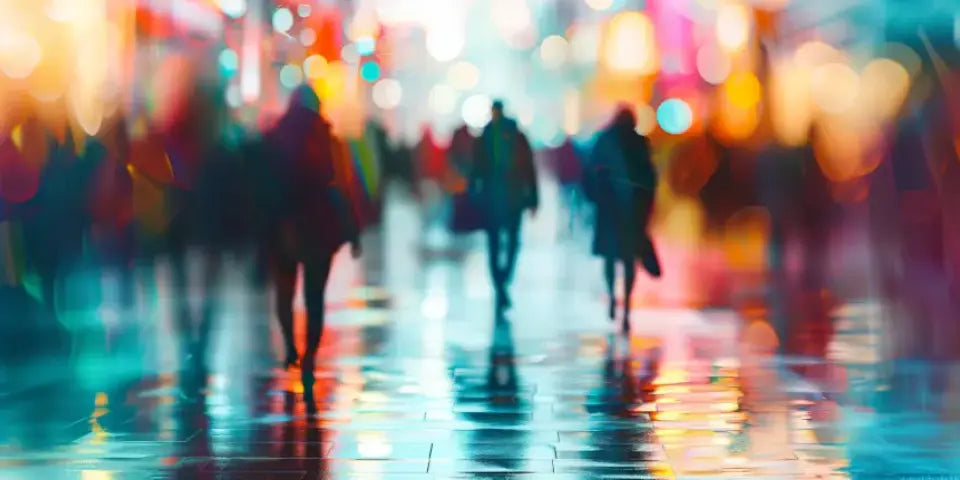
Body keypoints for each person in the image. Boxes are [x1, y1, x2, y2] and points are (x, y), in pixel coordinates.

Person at [263, 86, 361, 412]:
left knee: (284, 292)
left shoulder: (275, 135)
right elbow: (343, 183)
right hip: (319, 227)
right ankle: (309, 358)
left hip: (283, 225)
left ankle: (290, 345)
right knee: (315, 298)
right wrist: (353, 229)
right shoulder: (327, 137)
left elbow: (263, 184)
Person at [584, 107, 660, 332]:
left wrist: (595, 197)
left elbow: (589, 173)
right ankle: (626, 304)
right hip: (631, 211)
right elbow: (650, 178)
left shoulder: (604, 140)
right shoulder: (639, 143)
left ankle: (611, 296)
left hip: (609, 209)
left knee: (610, 257)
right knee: (628, 260)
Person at [470, 100, 538, 312]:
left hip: (493, 197)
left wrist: (475, 193)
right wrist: (533, 198)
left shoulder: (486, 137)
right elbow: (529, 169)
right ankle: (503, 281)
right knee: (511, 243)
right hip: (514, 196)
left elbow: (476, 169)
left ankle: (500, 284)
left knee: (495, 244)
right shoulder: (516, 136)